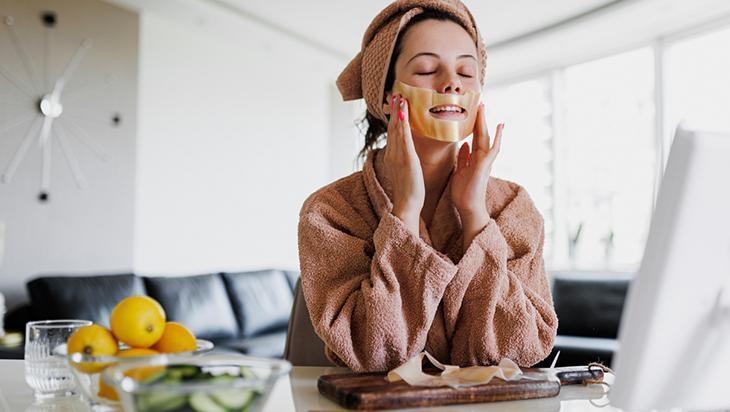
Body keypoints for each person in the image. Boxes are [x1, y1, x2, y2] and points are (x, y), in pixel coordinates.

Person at [297, 0, 557, 373]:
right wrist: (404, 214)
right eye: (427, 68)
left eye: (466, 72)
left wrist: (475, 216)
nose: (451, 83)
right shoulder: (330, 212)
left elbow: (522, 348)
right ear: (386, 97)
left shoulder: (512, 205)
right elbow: (370, 353)